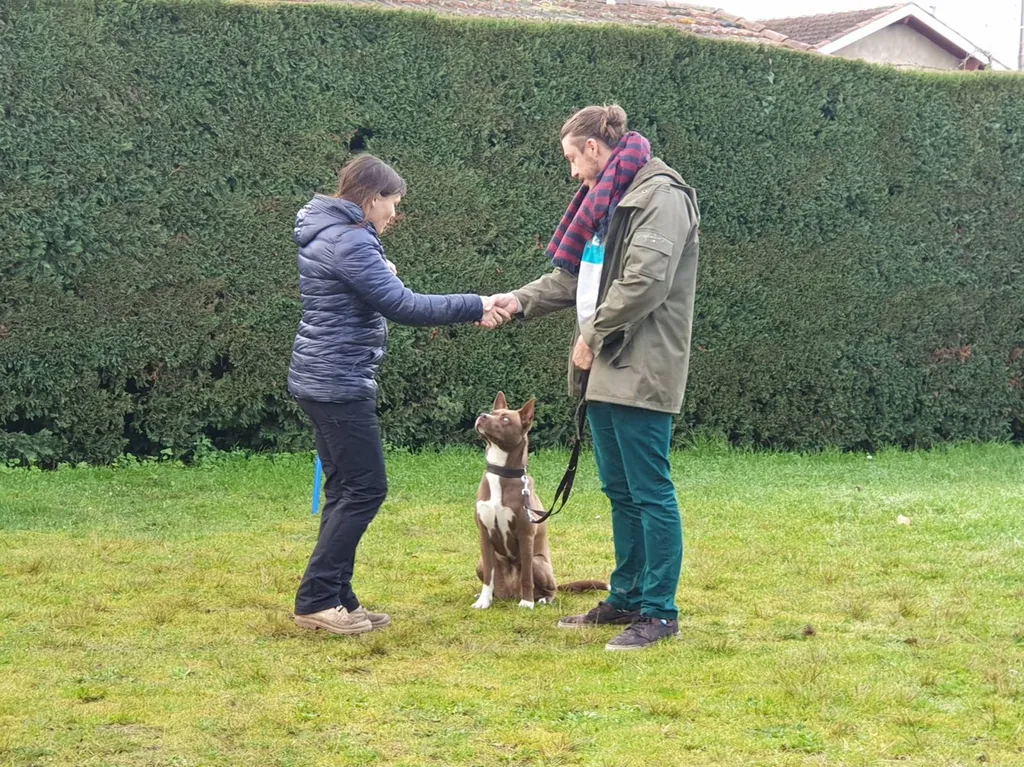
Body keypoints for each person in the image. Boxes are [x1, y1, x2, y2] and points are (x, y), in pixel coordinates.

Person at [488, 105, 700, 651]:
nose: (572, 173)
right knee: (620, 491)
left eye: (572, 159)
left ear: (595, 149)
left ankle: (660, 612)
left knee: (649, 492)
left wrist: (590, 336)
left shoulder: (660, 196)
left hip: (641, 365)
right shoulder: (606, 204)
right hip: (607, 367)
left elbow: (646, 283)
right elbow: (573, 277)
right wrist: (518, 301)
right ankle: (626, 596)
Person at [288, 154, 508, 636]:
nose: (394, 214)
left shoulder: (333, 232)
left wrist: (381, 268)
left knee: (345, 489)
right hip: (337, 382)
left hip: (322, 377)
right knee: (366, 489)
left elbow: (367, 292)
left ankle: (338, 598)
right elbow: (402, 305)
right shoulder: (349, 240)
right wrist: (478, 304)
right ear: (371, 199)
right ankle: (317, 600)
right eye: (393, 203)